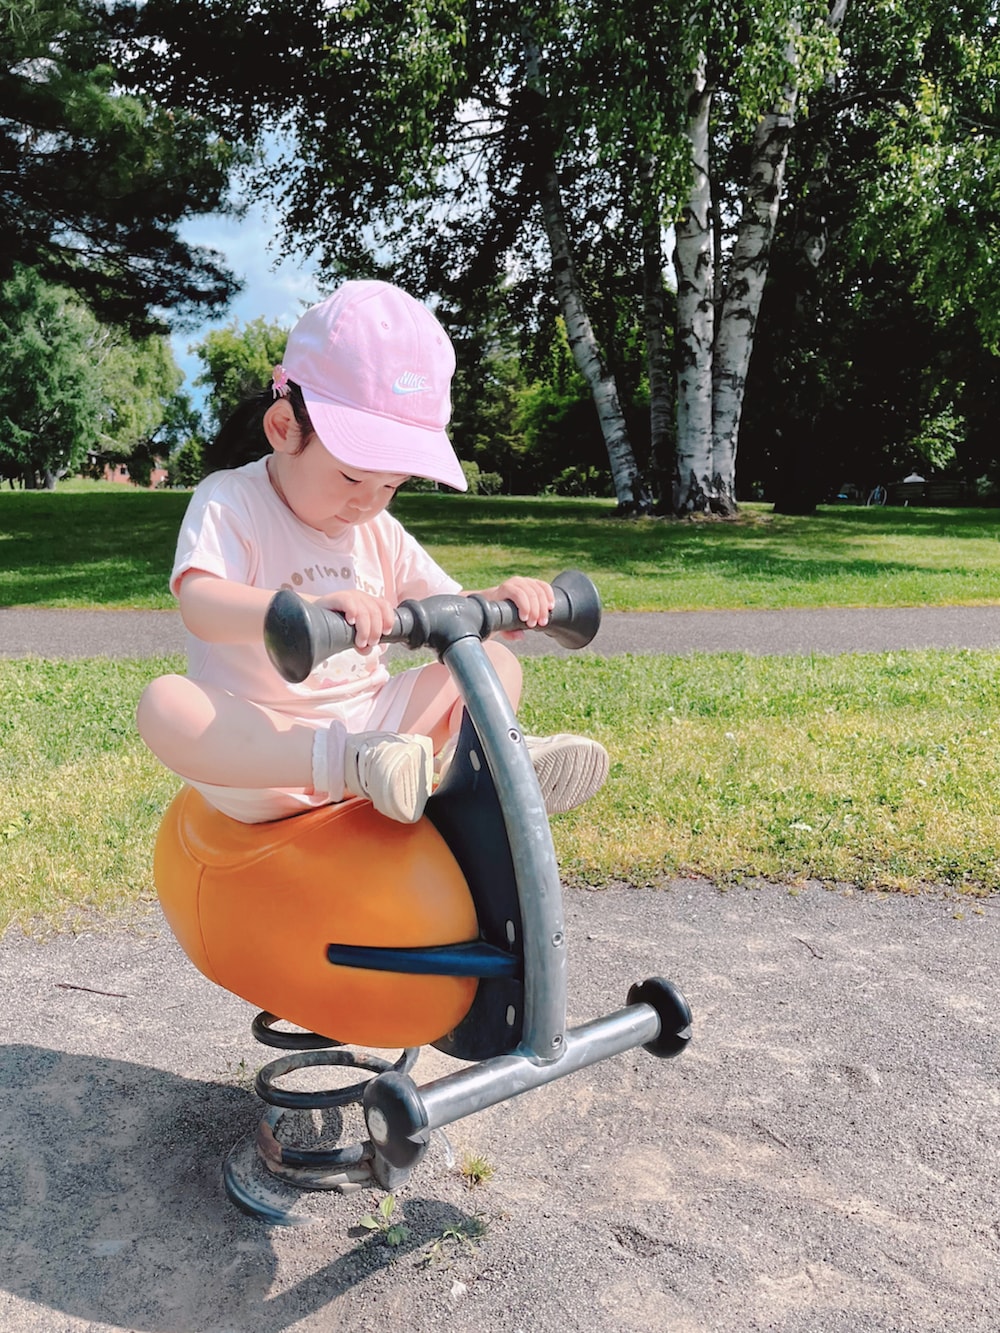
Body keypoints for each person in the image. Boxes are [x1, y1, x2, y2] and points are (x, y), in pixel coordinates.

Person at [137, 279, 609, 826]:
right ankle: (355, 764)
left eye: (392, 485)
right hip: (268, 747)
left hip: (383, 738)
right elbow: (200, 602)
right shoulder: (232, 499)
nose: (368, 502)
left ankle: (489, 762)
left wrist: (496, 604)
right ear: (285, 428)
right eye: (352, 475)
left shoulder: (377, 529)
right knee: (167, 705)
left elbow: (448, 607)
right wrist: (296, 612)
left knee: (492, 663)